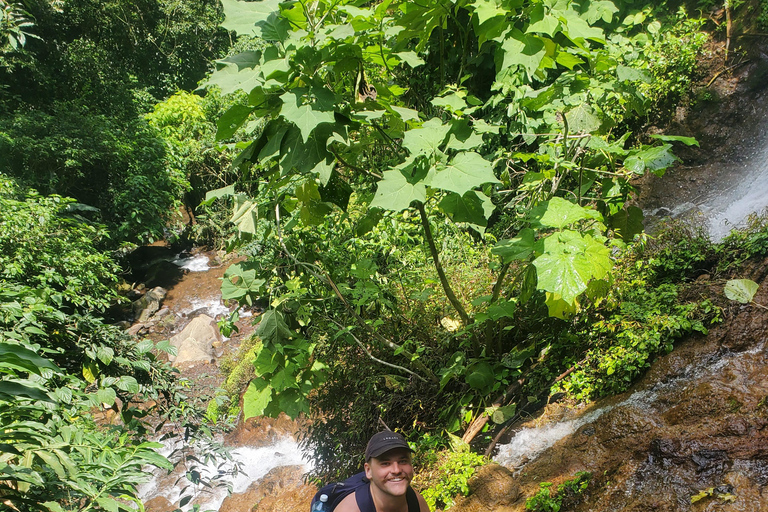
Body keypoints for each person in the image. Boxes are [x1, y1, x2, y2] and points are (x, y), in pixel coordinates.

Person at [334, 431, 431, 512]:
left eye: (403, 461)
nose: (396, 470)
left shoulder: (416, 503)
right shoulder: (349, 509)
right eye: (385, 463)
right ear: (368, 471)